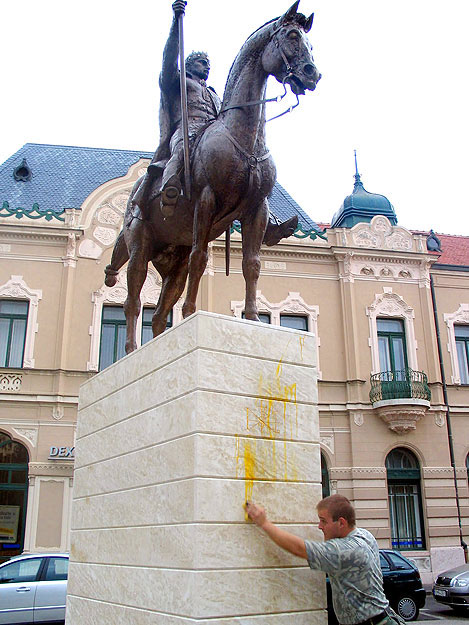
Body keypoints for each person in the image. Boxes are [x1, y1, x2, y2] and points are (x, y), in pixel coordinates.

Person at [135, 0, 298, 244]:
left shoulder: (213, 93)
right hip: (188, 128)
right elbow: (169, 59)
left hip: (213, 133)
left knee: (250, 170)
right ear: (190, 64)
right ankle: (170, 187)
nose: (207, 67)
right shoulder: (179, 82)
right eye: (202, 63)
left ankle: (269, 222)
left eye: (209, 65)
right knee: (182, 147)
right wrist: (175, 22)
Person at [246, 494, 403, 625]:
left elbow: (299, 549)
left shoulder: (347, 550)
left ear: (341, 522)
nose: (320, 526)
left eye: (324, 521)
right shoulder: (364, 535)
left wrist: (263, 523)